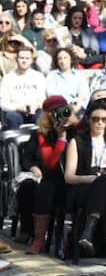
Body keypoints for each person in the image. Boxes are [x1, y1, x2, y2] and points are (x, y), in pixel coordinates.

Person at [63, 100, 106, 266]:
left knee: (105, 180)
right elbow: (69, 176)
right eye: (95, 119)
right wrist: (91, 178)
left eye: (104, 119)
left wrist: (102, 178)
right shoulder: (77, 141)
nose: (100, 123)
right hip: (86, 186)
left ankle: (89, 230)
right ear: (88, 120)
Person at [18, 96, 73, 254]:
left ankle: (38, 238)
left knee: (46, 188)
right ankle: (37, 237)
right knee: (36, 187)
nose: (58, 115)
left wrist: (64, 134)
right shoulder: (39, 134)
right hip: (46, 176)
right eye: (53, 112)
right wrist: (33, 167)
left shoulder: (73, 130)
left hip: (68, 178)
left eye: (62, 110)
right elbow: (29, 157)